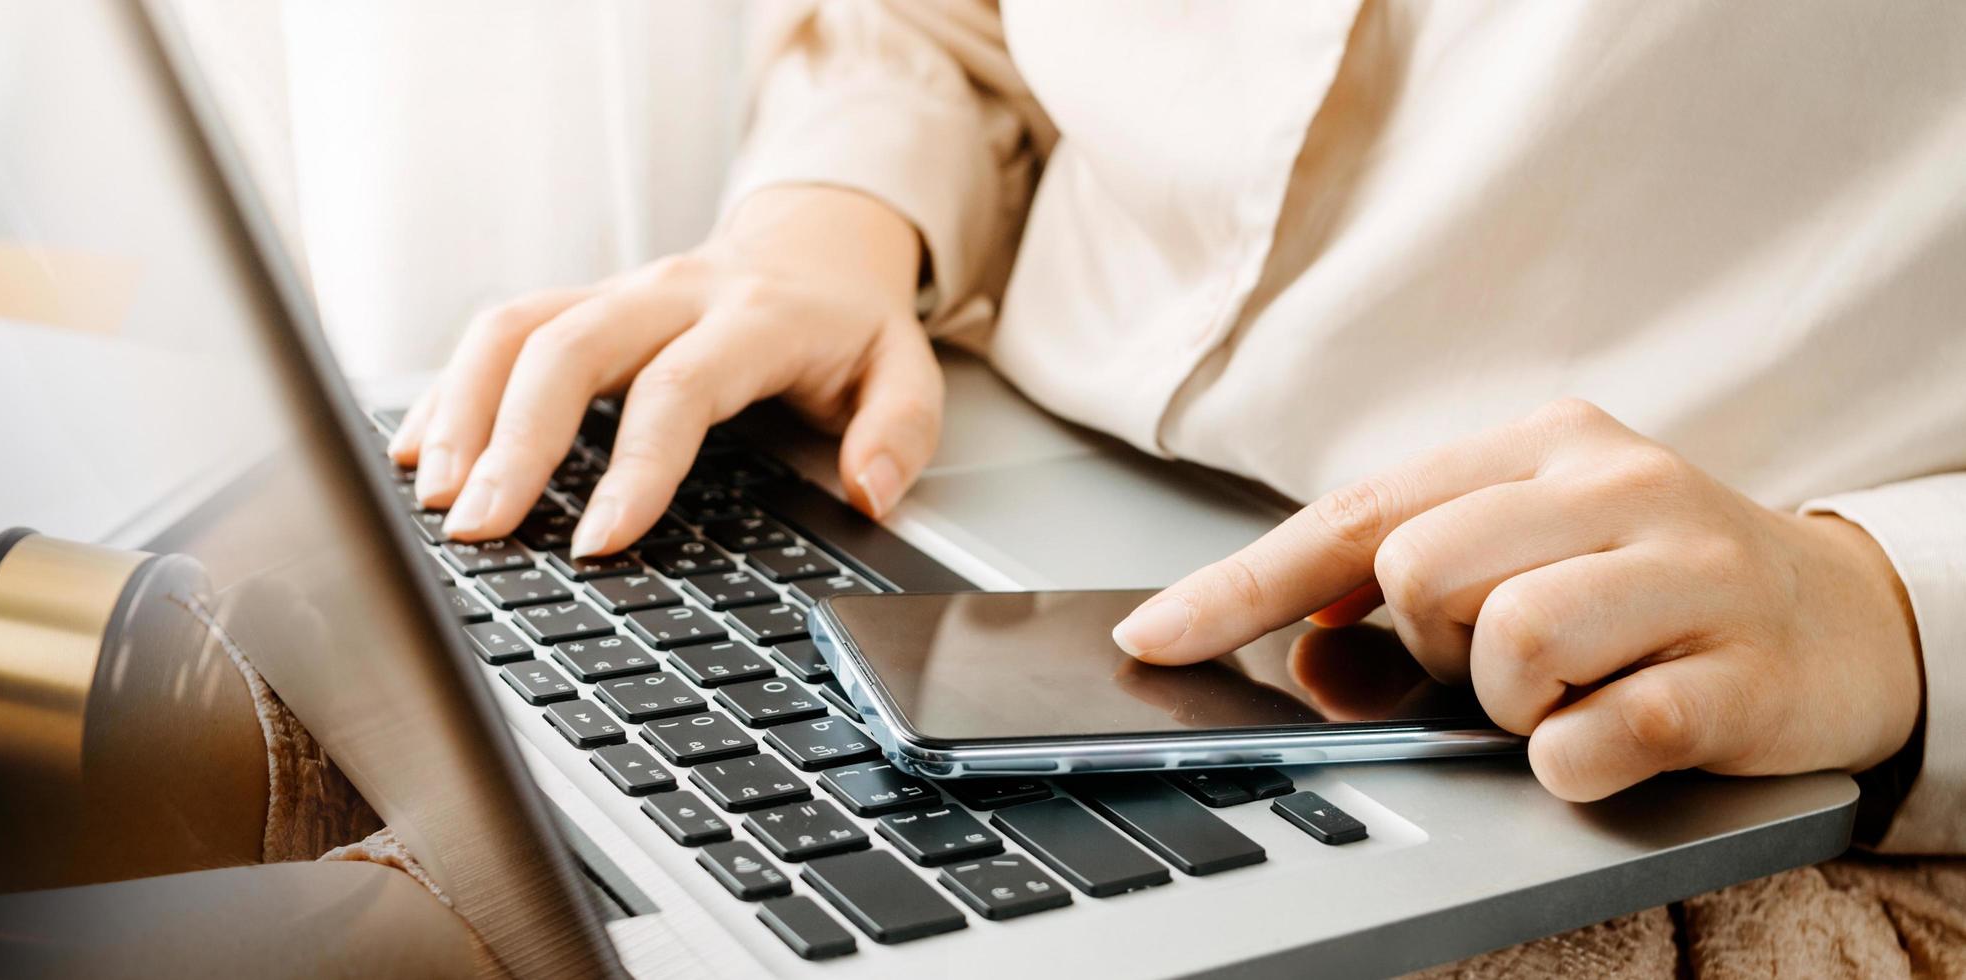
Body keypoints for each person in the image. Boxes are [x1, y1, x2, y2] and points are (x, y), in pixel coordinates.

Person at [383, 1, 1966, 849]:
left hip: (1603, 708)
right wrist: (836, 216)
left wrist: (1887, 605)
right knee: (268, 663)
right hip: (939, 454)